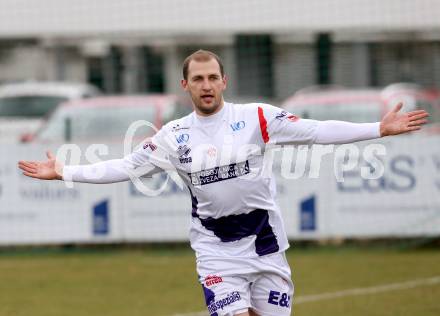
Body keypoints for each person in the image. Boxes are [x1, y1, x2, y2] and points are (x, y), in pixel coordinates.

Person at [18, 50, 428, 316]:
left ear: (224, 81)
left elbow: (317, 130)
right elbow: (126, 167)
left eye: (213, 77)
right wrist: (66, 171)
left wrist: (379, 128)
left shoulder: (257, 118)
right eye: (198, 79)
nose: (207, 85)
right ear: (186, 86)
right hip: (216, 250)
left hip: (266, 242)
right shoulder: (173, 137)